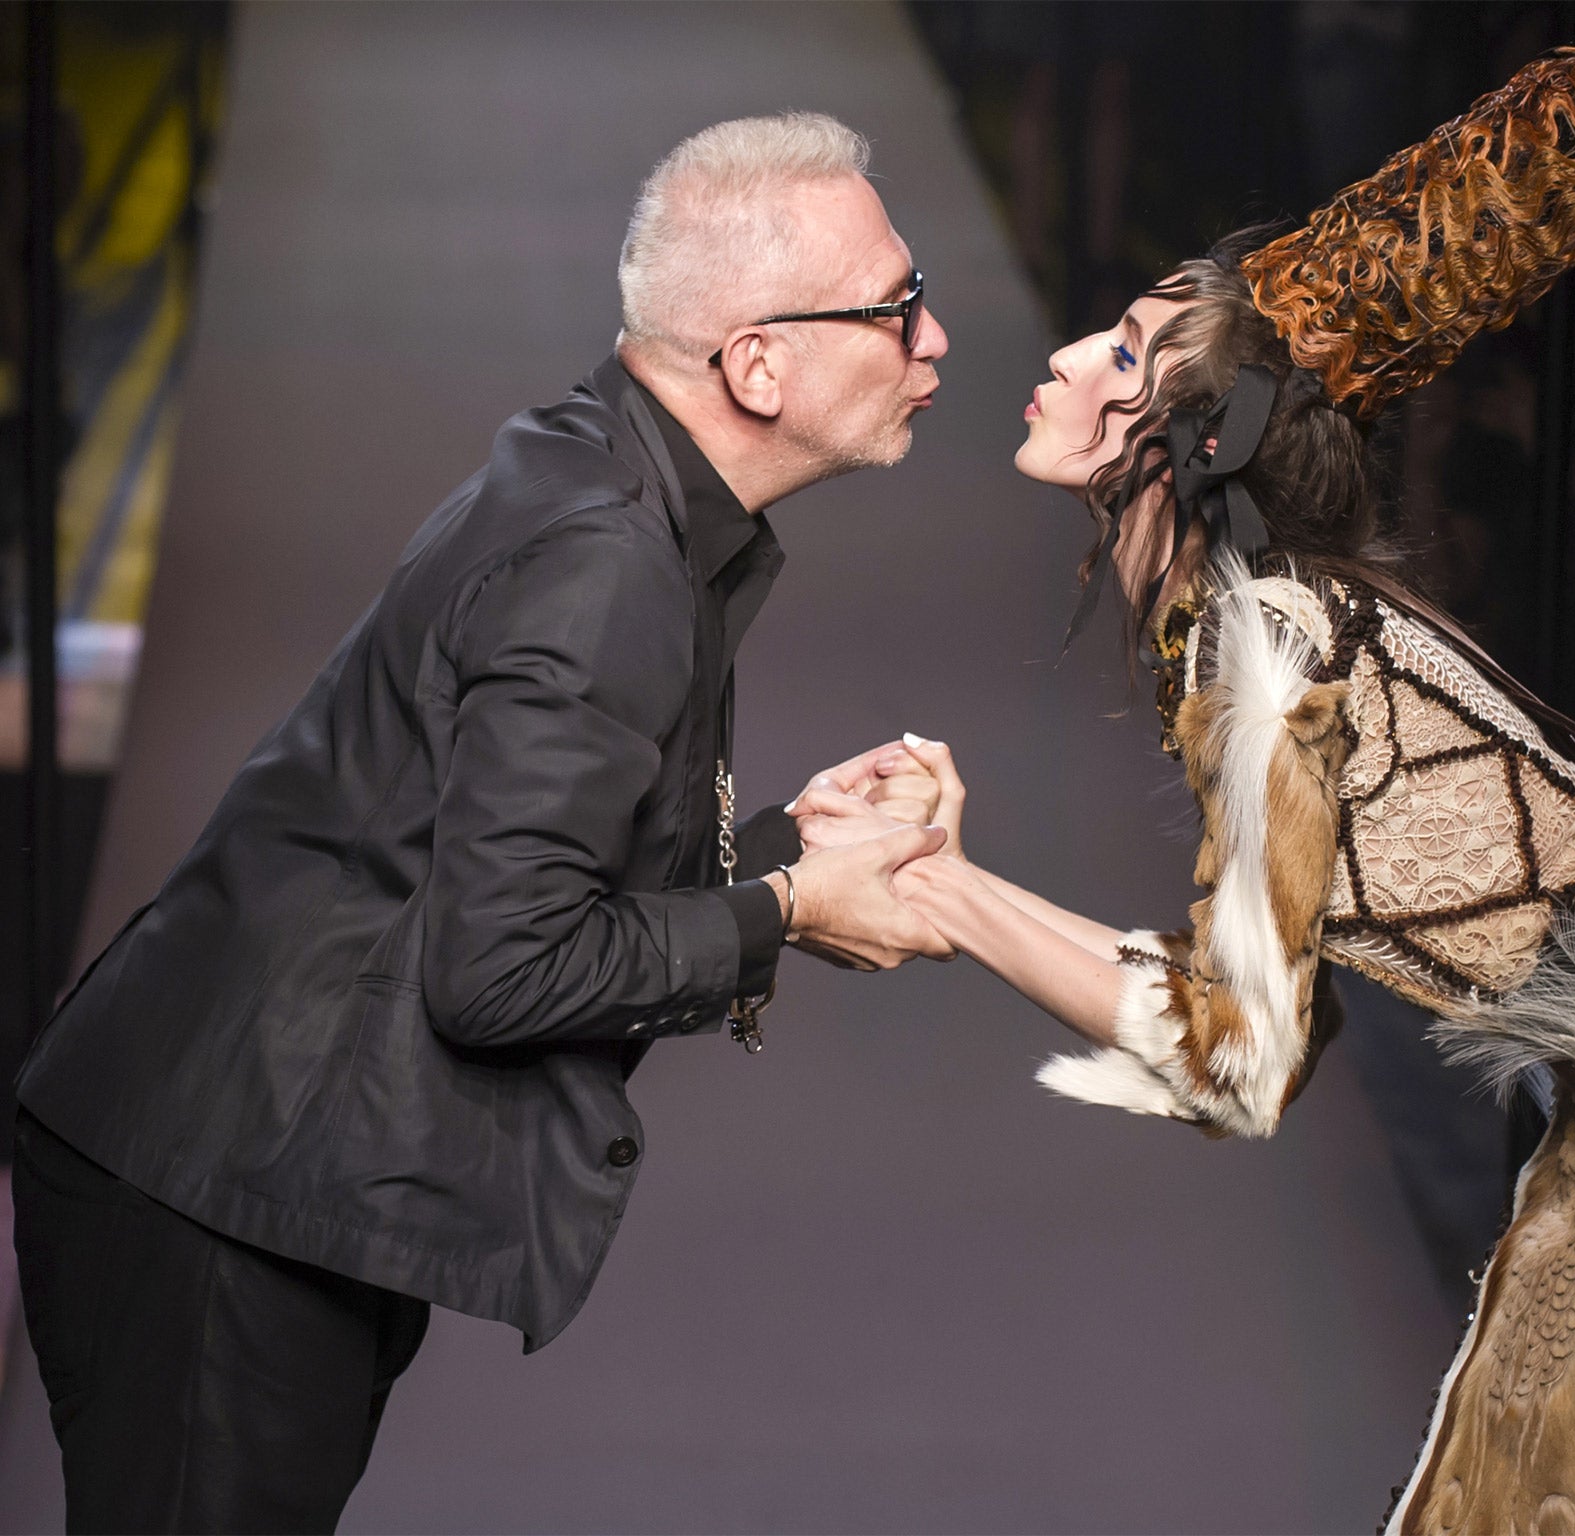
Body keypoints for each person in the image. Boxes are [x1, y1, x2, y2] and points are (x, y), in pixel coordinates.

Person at [811, 53, 1575, 1533]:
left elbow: (1236, 1062)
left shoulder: (1265, 640)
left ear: (1203, 443)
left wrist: (942, 888)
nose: (1074, 355)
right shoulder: (1264, 622)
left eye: (1129, 357)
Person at [11, 112, 956, 1532]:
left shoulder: (614, 484)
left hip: (249, 1161)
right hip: (218, 1195)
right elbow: (502, 966)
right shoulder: (608, 561)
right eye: (897, 309)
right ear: (757, 364)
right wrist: (792, 910)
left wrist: (776, 857)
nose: (934, 341)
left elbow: (509, 855)